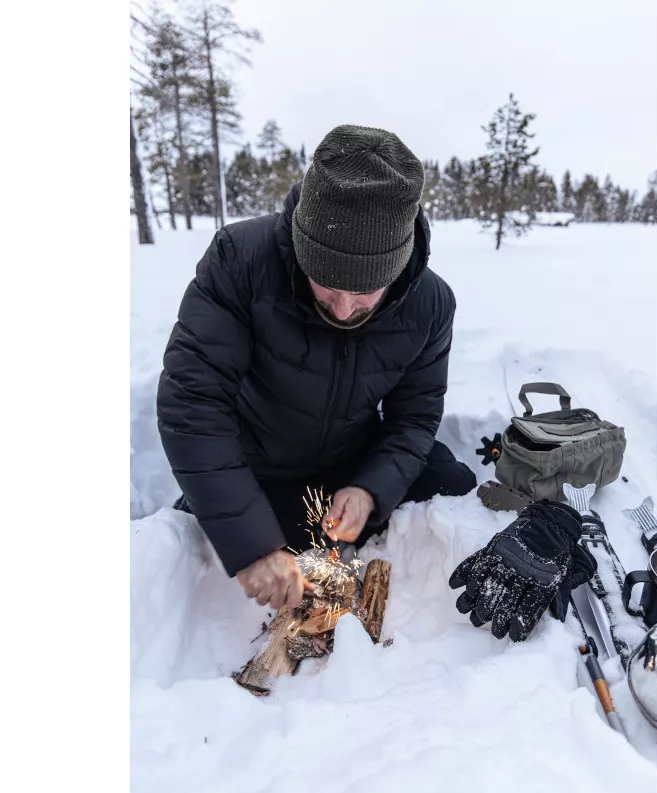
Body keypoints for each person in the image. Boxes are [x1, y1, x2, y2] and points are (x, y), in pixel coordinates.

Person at [157, 125, 476, 612]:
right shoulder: (239, 260)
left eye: (365, 291)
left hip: (350, 458)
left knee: (453, 484)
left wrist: (369, 489)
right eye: (326, 286)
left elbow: (415, 418)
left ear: (396, 267)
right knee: (218, 528)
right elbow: (193, 404)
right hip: (259, 466)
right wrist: (253, 545)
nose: (344, 310)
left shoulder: (430, 304)